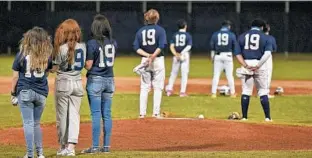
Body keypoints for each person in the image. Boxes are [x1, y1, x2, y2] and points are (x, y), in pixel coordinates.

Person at [11, 27, 53, 158]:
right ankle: (40, 154)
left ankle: (30, 154)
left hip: (25, 91)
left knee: (28, 123)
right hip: (41, 93)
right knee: (36, 124)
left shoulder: (22, 54)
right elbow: (48, 72)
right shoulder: (46, 55)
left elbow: (15, 76)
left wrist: (13, 93)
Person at [81, 14, 117, 154]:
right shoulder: (112, 42)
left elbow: (89, 65)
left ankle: (95, 147)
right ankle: (106, 147)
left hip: (96, 79)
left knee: (96, 114)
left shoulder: (91, 43)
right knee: (107, 114)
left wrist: (82, 64)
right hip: (109, 79)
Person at [52, 19, 86, 156]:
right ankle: (71, 148)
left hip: (63, 83)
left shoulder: (61, 48)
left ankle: (62, 146)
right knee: (74, 116)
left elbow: (54, 69)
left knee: (62, 117)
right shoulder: (83, 47)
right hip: (78, 83)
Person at [235, 19, 273, 121]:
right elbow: (267, 54)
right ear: (261, 27)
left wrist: (245, 65)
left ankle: (244, 117)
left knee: (246, 90)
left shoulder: (242, 36)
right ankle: (267, 118)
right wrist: (258, 65)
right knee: (263, 91)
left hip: (246, 64)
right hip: (260, 64)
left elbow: (238, 54)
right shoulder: (266, 37)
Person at [133, 9, 167, 118]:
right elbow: (161, 46)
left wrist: (147, 56)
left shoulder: (140, 31)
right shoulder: (161, 30)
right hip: (157, 61)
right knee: (158, 88)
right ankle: (155, 113)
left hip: (145, 61)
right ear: (157, 18)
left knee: (144, 87)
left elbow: (136, 48)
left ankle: (142, 114)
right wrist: (152, 56)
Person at [210, 20, 239, 98]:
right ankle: (232, 93)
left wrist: (212, 57)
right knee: (229, 75)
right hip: (228, 55)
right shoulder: (231, 35)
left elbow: (212, 47)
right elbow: (234, 46)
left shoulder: (215, 34)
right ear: (228, 26)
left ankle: (213, 93)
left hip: (218, 56)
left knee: (216, 75)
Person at [165, 19, 192, 97]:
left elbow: (171, 46)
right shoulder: (188, 35)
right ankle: (182, 92)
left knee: (173, 73)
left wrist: (176, 54)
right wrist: (182, 53)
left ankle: (169, 90)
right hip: (184, 56)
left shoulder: (175, 35)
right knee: (184, 74)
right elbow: (189, 46)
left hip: (176, 56)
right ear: (185, 26)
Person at [263, 24, 277, 98]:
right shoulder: (271, 38)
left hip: (258, 57)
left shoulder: (259, 37)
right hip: (267, 57)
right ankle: (265, 93)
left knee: (259, 75)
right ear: (268, 29)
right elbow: (274, 49)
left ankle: (260, 92)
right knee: (268, 75)